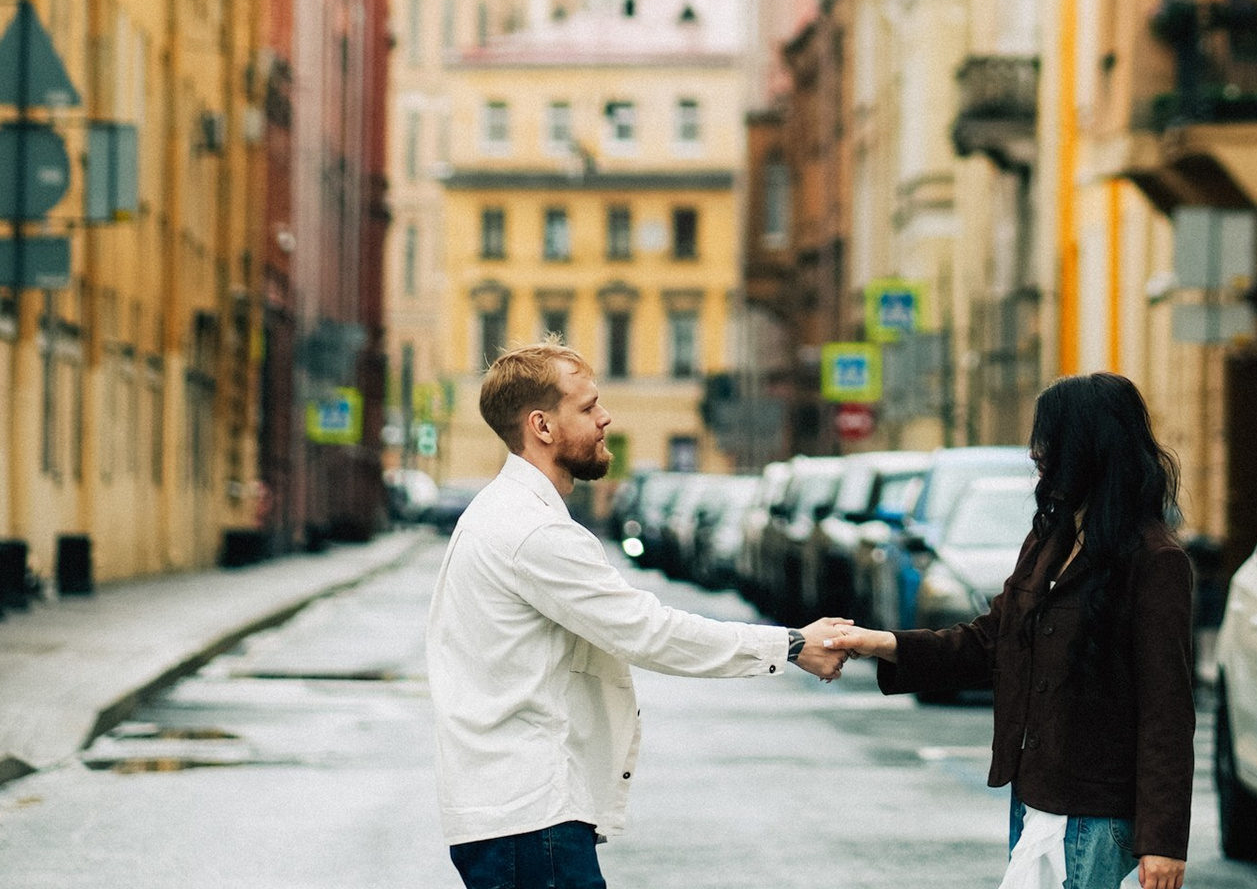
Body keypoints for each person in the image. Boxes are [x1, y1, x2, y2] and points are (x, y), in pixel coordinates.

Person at [427, 340, 861, 889]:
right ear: (541, 425)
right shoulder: (533, 532)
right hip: (528, 818)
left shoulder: (504, 514)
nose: (605, 417)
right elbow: (650, 631)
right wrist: (792, 646)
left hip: (515, 814)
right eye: (586, 408)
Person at [838, 374, 1194, 889]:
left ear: (1090, 446)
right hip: (1033, 799)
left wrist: (1162, 841)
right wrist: (885, 644)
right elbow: (993, 639)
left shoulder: (1155, 561)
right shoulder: (1050, 538)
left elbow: (1167, 711)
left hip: (1099, 816)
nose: (1035, 452)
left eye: (1049, 438)